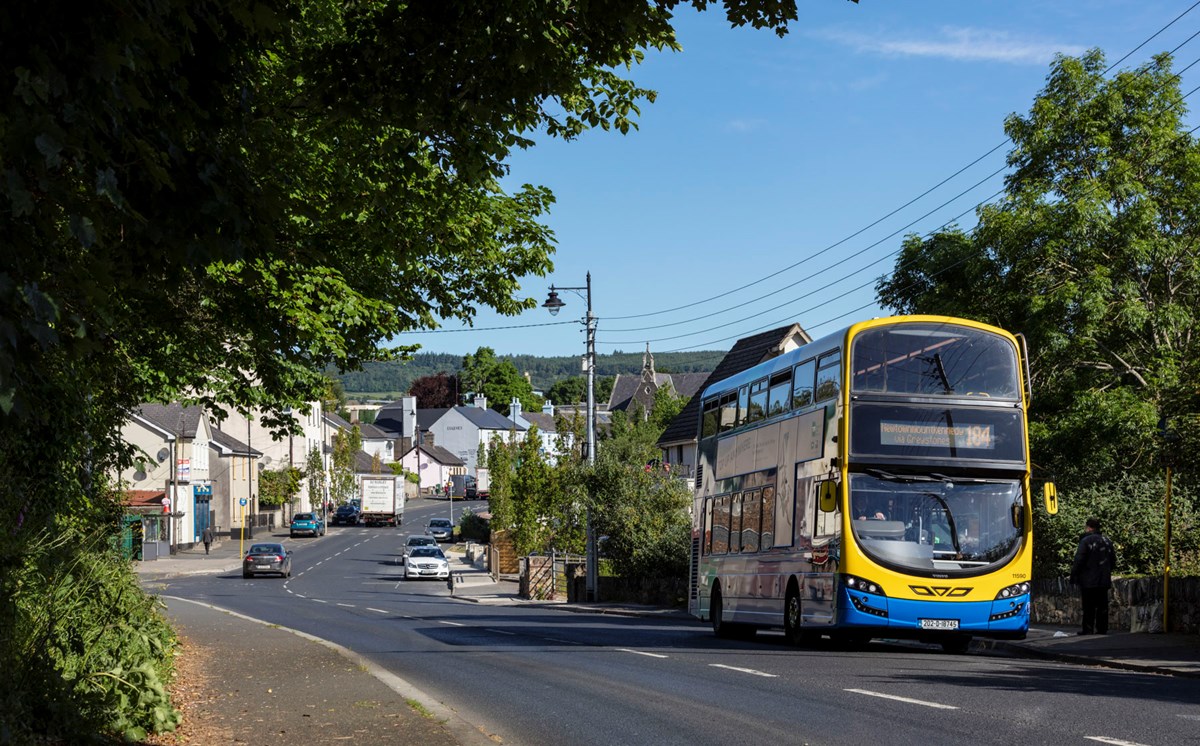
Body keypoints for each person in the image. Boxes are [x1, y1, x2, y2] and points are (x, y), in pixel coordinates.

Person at [1069, 517, 1117, 635]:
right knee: (1102, 605)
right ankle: (1102, 629)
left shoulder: (1085, 541)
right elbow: (1113, 560)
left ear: (1089, 527)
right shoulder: (1107, 541)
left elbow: (1079, 560)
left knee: (1088, 606)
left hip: (1088, 579)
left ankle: (1088, 629)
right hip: (1103, 579)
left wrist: (1074, 574)